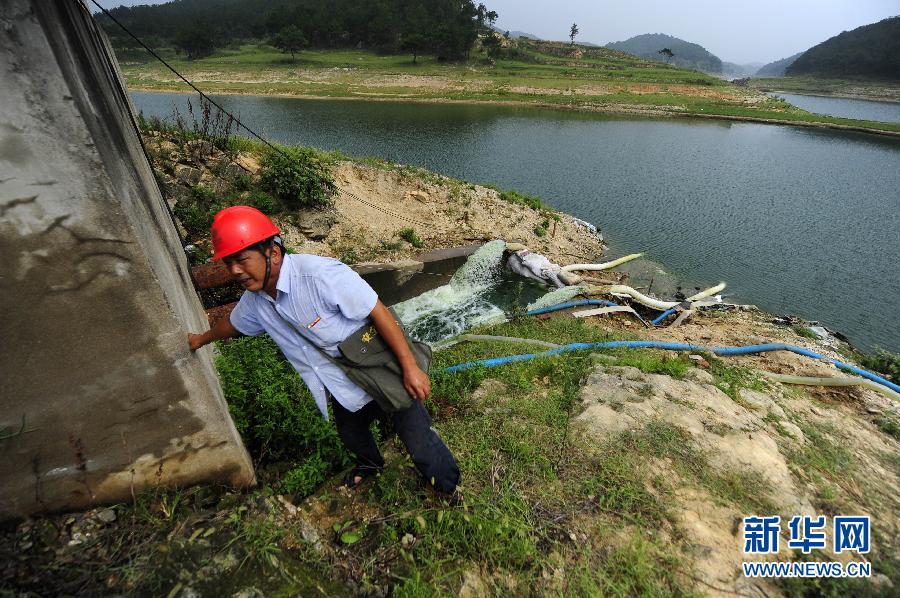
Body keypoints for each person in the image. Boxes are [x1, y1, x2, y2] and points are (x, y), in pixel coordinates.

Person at [188, 206, 460, 496]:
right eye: (229, 264)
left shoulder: (320, 276)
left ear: (273, 253)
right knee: (352, 434)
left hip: (380, 369)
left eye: (241, 260)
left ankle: (449, 489)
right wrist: (200, 340)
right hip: (341, 381)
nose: (235, 271)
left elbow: (379, 311)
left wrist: (410, 368)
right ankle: (370, 466)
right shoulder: (255, 302)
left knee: (417, 437)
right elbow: (233, 325)